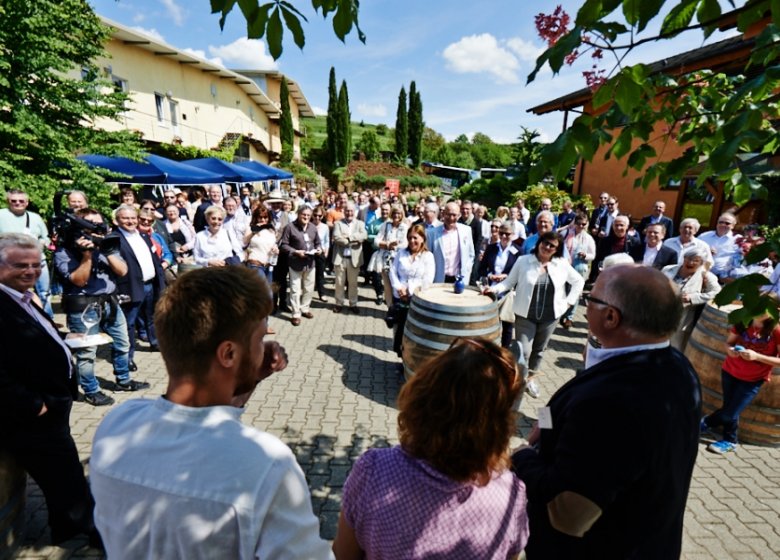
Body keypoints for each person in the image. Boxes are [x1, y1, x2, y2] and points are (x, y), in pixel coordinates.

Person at [90, 266, 332, 558]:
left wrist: (248, 376)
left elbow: (205, 418)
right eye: (258, 339)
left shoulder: (117, 424)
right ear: (228, 354)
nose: (264, 347)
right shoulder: (266, 464)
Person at [512, 265, 701, 558]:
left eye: (591, 299)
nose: (586, 306)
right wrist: (552, 426)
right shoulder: (676, 365)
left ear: (611, 316)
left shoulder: (612, 403)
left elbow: (568, 513)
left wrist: (522, 455)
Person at [333, 337, 529, 559]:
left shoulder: (373, 470)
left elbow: (343, 555)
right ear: (499, 424)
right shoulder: (510, 495)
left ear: (420, 396)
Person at [0, 233, 100, 546]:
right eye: (20, 265)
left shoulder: (21, 295)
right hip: (33, 413)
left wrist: (61, 338)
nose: (31, 271)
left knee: (64, 469)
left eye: (36, 264)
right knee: (65, 476)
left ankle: (65, 529)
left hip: (52, 403)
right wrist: (33, 405)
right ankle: (88, 530)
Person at [55, 208, 148, 403]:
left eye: (99, 224)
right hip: (84, 307)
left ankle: (123, 380)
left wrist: (105, 248)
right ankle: (91, 391)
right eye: (90, 225)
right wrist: (87, 256)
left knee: (123, 343)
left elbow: (122, 271)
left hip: (111, 303)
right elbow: (78, 280)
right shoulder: (65, 251)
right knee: (87, 352)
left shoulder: (107, 245)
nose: (96, 229)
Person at [488, 231, 584, 398]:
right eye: (545, 243)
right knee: (523, 350)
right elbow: (509, 282)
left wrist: (568, 303)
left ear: (557, 249)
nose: (547, 247)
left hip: (550, 316)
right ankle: (519, 379)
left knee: (539, 351)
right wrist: (493, 289)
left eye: (552, 246)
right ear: (539, 243)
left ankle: (530, 378)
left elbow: (578, 281)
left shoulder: (561, 264)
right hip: (525, 314)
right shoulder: (524, 261)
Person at [701, 311, 780, 454]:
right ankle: (729, 440)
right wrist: (730, 350)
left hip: (753, 380)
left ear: (774, 309)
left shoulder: (776, 330)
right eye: (755, 306)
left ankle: (706, 423)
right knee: (730, 409)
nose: (759, 310)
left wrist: (757, 356)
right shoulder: (743, 320)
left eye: (763, 308)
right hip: (730, 372)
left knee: (729, 413)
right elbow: (729, 343)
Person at [111, 205, 167, 365]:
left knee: (151, 317)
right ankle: (127, 358)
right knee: (129, 323)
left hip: (150, 284)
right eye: (125, 218)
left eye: (133, 218)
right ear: (117, 220)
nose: (130, 221)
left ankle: (155, 342)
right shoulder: (114, 238)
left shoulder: (143, 235)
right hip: (130, 286)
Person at [0, 189, 53, 316]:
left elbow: (46, 237)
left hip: (38, 261)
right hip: (10, 263)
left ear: (27, 202)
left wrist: (42, 243)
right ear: (8, 201)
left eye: (21, 201)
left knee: (44, 292)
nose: (18, 203)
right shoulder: (1, 215)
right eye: (14, 201)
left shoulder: (35, 217)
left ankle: (46, 318)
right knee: (12, 291)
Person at [388, 224, 435, 360]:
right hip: (400, 296)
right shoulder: (401, 253)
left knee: (413, 332)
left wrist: (411, 291)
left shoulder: (428, 256)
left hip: (416, 299)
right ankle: (400, 357)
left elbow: (428, 279)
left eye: (415, 238)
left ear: (422, 239)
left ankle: (411, 360)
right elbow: (393, 272)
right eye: (409, 238)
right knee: (399, 330)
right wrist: (399, 288)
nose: (412, 241)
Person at [662, 246, 721, 351]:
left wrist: (693, 298)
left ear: (701, 263)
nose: (691, 262)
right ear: (684, 258)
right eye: (688, 258)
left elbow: (718, 293)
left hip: (682, 318)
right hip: (661, 314)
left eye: (696, 260)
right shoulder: (668, 269)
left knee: (676, 348)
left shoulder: (706, 276)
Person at [478, 222, 522, 347]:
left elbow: (520, 273)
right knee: (489, 321)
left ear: (513, 235)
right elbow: (481, 269)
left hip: (508, 292)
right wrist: (489, 276)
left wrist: (506, 276)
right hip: (491, 289)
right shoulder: (491, 248)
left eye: (507, 234)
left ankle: (504, 350)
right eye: (501, 233)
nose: (503, 236)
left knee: (507, 323)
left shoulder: (518, 251)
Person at [279, 206, 321, 326]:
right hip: (295, 263)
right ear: (298, 214)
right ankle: (296, 313)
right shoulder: (290, 227)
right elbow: (284, 245)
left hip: (310, 263)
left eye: (308, 215)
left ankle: (305, 308)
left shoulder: (313, 227)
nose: (306, 217)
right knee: (295, 290)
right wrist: (296, 251)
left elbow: (317, 242)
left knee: (309, 288)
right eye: (304, 215)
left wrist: (319, 249)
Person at [558, 212, 596, 329]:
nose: (581, 226)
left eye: (583, 224)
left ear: (587, 224)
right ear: (574, 223)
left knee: (576, 293)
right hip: (566, 267)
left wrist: (585, 255)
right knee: (563, 291)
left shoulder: (589, 238)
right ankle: (561, 314)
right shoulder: (567, 234)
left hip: (580, 268)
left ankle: (569, 317)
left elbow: (593, 255)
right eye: (578, 223)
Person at [428, 201, 475, 283]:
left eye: (454, 215)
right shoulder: (432, 233)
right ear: (443, 214)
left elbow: (471, 254)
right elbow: (428, 257)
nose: (451, 218)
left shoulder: (466, 231)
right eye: (448, 214)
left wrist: (467, 270)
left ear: (459, 215)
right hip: (439, 279)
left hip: (459, 279)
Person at [332, 202, 367, 314]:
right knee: (339, 282)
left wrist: (349, 237)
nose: (349, 213)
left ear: (355, 212)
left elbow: (364, 236)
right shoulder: (338, 223)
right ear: (344, 211)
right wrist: (354, 241)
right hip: (340, 257)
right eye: (347, 210)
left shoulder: (360, 224)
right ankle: (339, 303)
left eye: (351, 211)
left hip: (354, 258)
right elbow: (337, 237)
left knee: (353, 283)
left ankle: (353, 303)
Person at [371, 204, 408, 306]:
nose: (396, 215)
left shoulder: (405, 227)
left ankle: (398, 308)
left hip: (399, 260)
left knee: (397, 285)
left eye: (399, 213)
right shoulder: (386, 225)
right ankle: (389, 308)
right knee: (387, 286)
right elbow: (376, 240)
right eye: (395, 213)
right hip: (385, 260)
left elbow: (406, 243)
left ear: (402, 215)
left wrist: (396, 245)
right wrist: (387, 245)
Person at [699, 212, 739, 281]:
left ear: (733, 225)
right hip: (701, 275)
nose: (723, 225)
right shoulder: (704, 236)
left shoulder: (738, 240)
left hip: (724, 279)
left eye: (727, 223)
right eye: (720, 222)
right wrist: (706, 252)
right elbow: (692, 251)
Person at [312, 208, 330, 301]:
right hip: (310, 253)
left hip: (321, 253)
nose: (317, 218)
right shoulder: (309, 225)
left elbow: (327, 241)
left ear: (322, 216)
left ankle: (321, 293)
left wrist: (326, 252)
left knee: (320, 275)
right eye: (315, 215)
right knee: (309, 275)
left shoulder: (325, 227)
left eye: (319, 216)